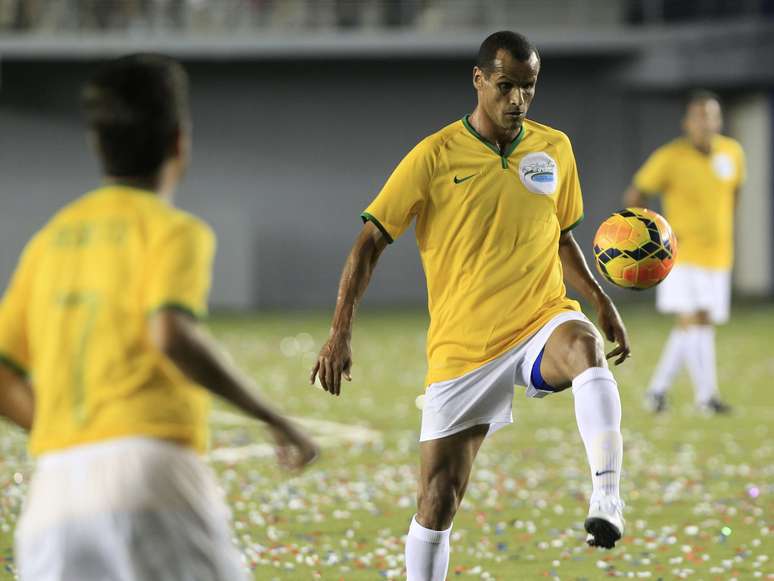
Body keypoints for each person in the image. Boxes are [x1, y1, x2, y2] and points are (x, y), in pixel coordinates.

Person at [311, 30, 631, 580]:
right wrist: (340, 332)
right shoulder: (433, 156)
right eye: (506, 86)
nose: (517, 101)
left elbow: (560, 235)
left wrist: (599, 300)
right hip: (464, 348)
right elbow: (369, 242)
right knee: (437, 501)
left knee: (584, 347)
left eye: (528, 89)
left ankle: (607, 498)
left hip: (539, 319)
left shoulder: (554, 148)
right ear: (479, 80)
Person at [0, 54, 318, 581]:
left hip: (54, 494)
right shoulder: (175, 232)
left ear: (98, 146)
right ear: (179, 142)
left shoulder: (48, 243)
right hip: (151, 476)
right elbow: (169, 333)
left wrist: (74, 431)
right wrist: (273, 418)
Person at [624, 91, 745, 415]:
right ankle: (707, 397)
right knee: (694, 319)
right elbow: (637, 190)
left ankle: (657, 391)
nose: (705, 123)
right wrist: (644, 236)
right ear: (687, 123)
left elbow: (736, 191)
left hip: (719, 254)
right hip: (680, 253)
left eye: (711, 116)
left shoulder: (732, 153)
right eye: (699, 116)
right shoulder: (670, 157)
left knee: (693, 325)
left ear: (719, 120)